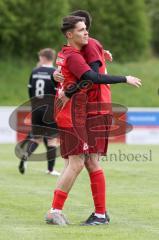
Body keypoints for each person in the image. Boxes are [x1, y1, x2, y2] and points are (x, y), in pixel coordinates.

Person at [45, 15, 141, 226]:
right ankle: (60, 211)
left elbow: (86, 75)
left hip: (85, 111)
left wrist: (68, 87)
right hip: (78, 114)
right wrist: (124, 78)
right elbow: (91, 77)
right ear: (70, 34)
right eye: (81, 29)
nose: (86, 32)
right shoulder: (79, 52)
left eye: (86, 28)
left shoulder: (80, 48)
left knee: (83, 161)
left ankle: (94, 214)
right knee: (80, 162)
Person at [18, 48, 60, 176]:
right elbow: (58, 93)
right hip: (50, 109)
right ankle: (50, 170)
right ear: (52, 58)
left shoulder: (35, 71)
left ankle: (25, 157)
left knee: (36, 139)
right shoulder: (55, 72)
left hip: (36, 109)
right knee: (52, 140)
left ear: (43, 57)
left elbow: (30, 91)